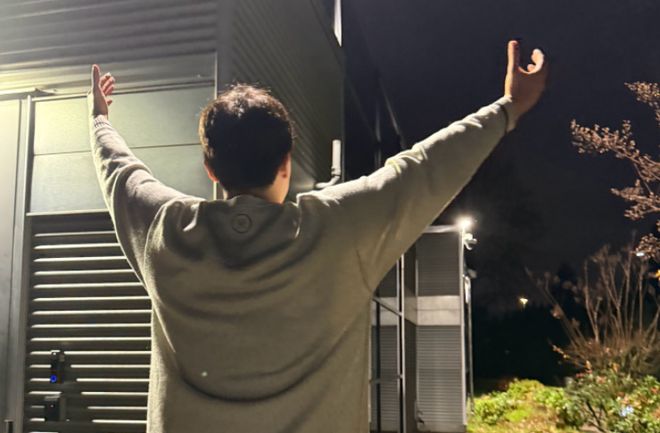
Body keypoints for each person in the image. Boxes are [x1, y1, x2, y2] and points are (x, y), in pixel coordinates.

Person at [88, 39, 547, 433]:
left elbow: (120, 170)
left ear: (210, 169)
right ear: (286, 164)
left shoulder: (164, 230)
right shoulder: (337, 229)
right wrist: (507, 108)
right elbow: (423, 168)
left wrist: (99, 119)